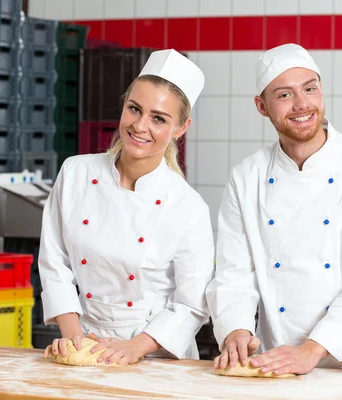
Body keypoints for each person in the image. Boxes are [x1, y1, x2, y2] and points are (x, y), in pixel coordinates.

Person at [206, 43, 342, 376]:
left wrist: (312, 351)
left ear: (321, 91)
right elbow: (233, 273)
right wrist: (237, 330)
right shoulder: (247, 177)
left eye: (309, 89)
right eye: (284, 95)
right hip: (277, 360)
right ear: (261, 106)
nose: (302, 105)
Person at [39, 49, 215, 365]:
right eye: (134, 109)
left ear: (180, 128)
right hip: (86, 339)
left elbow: (191, 305)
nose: (139, 126)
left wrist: (135, 348)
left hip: (156, 354)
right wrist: (73, 339)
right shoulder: (76, 173)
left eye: (158, 118)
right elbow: (55, 262)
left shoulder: (188, 207)